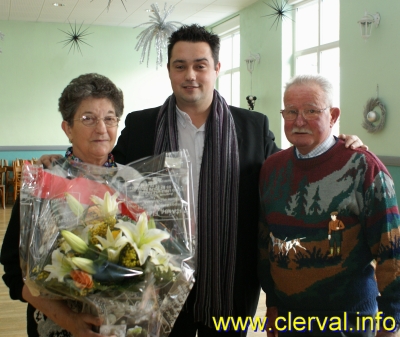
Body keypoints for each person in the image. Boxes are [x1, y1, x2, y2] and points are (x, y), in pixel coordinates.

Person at [39, 25, 365, 336]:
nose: (190, 75)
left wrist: (335, 147)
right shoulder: (142, 125)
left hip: (231, 282)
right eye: (180, 66)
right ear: (169, 70)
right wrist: (61, 163)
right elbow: (102, 168)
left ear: (217, 67)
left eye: (200, 65)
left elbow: (289, 171)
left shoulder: (251, 126)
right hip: (156, 282)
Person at [258, 74, 400, 337]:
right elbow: (266, 240)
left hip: (348, 323)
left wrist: (390, 322)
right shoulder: (271, 168)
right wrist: (273, 301)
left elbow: (391, 252)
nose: (299, 121)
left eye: (311, 111)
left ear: (333, 116)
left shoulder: (364, 168)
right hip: (290, 320)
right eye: (291, 111)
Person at [1, 73, 124, 337]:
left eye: (109, 118)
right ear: (67, 128)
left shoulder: (132, 183)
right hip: (57, 328)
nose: (101, 128)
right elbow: (14, 270)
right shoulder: (43, 183)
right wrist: (70, 321)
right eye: (87, 118)